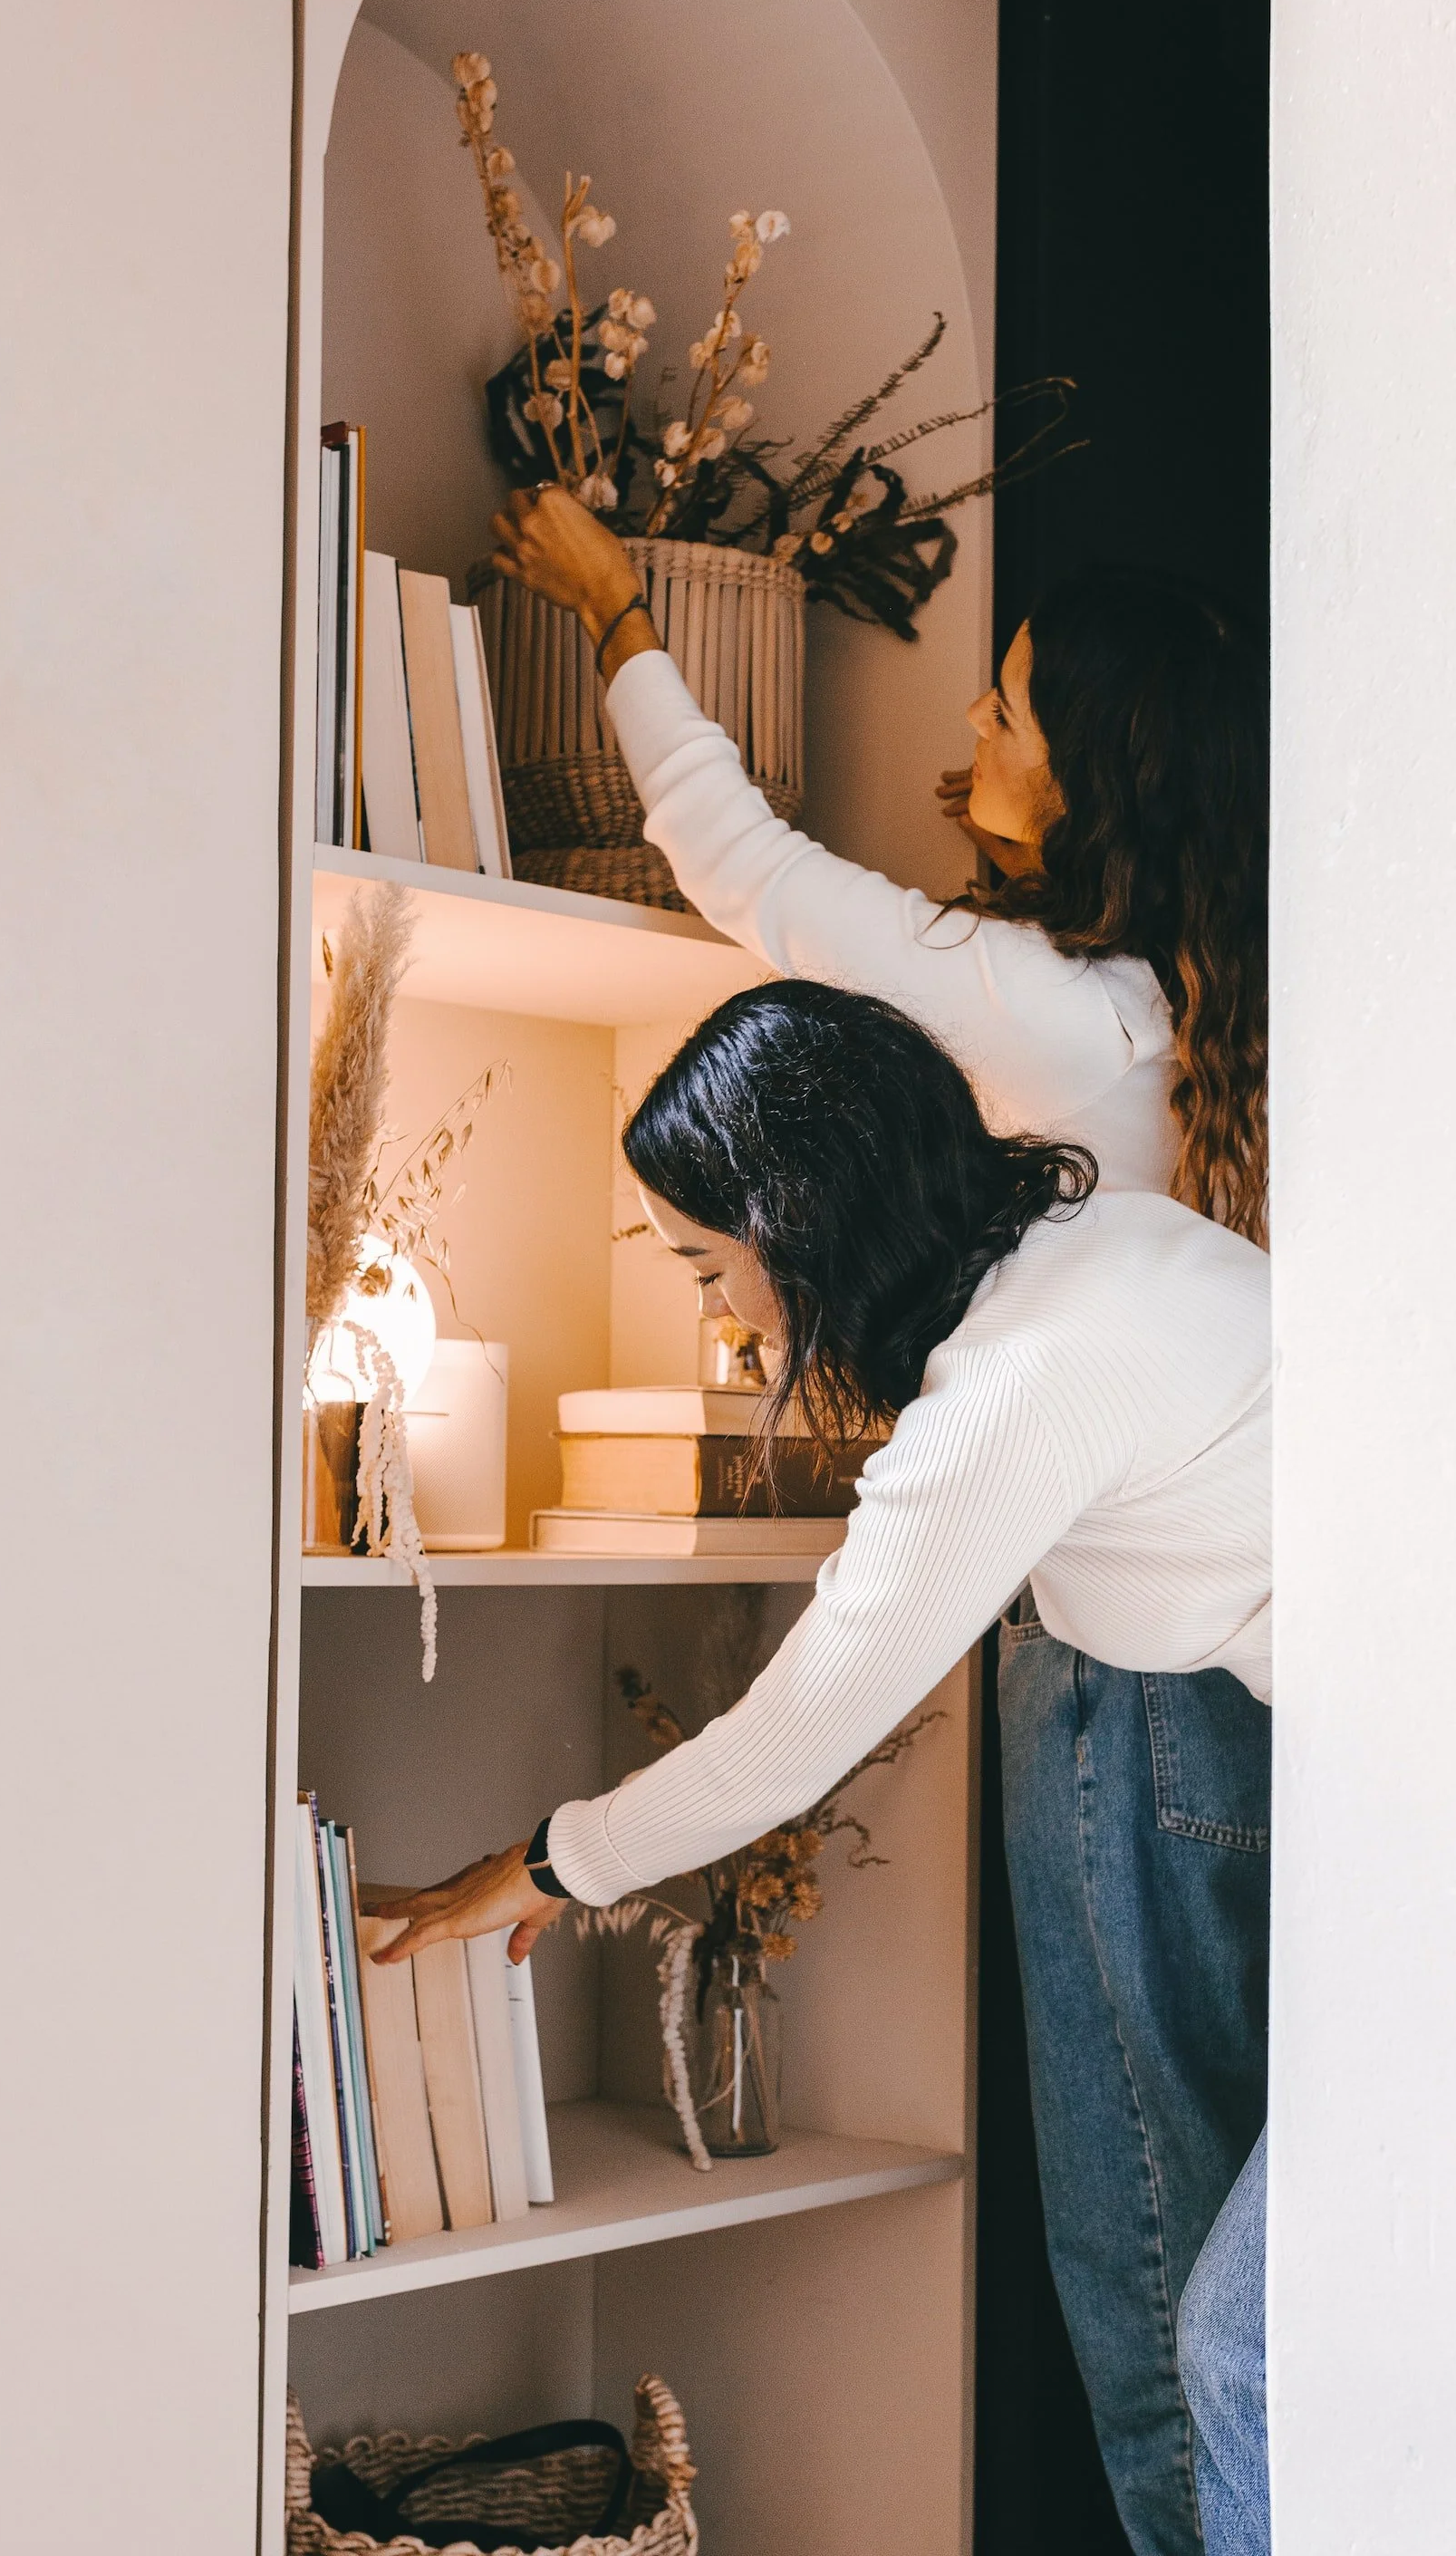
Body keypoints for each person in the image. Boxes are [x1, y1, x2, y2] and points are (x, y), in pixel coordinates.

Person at [471, 487, 1270, 2556]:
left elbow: (745, 869)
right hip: (1231, 1666)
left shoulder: (1042, 1059)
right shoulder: (1188, 1042)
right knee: (1232, 2262)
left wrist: (619, 613)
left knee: (1165, 2261)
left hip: (1130, 1685)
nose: (972, 735)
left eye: (1011, 710)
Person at [378, 982, 1273, 2556]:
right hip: (1416, 1807)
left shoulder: (1020, 1379)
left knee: (1239, 2357)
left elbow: (790, 1739)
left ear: (799, 1226)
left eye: (709, 1267)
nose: (731, 1318)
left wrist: (540, 1867)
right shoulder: (1110, 1247)